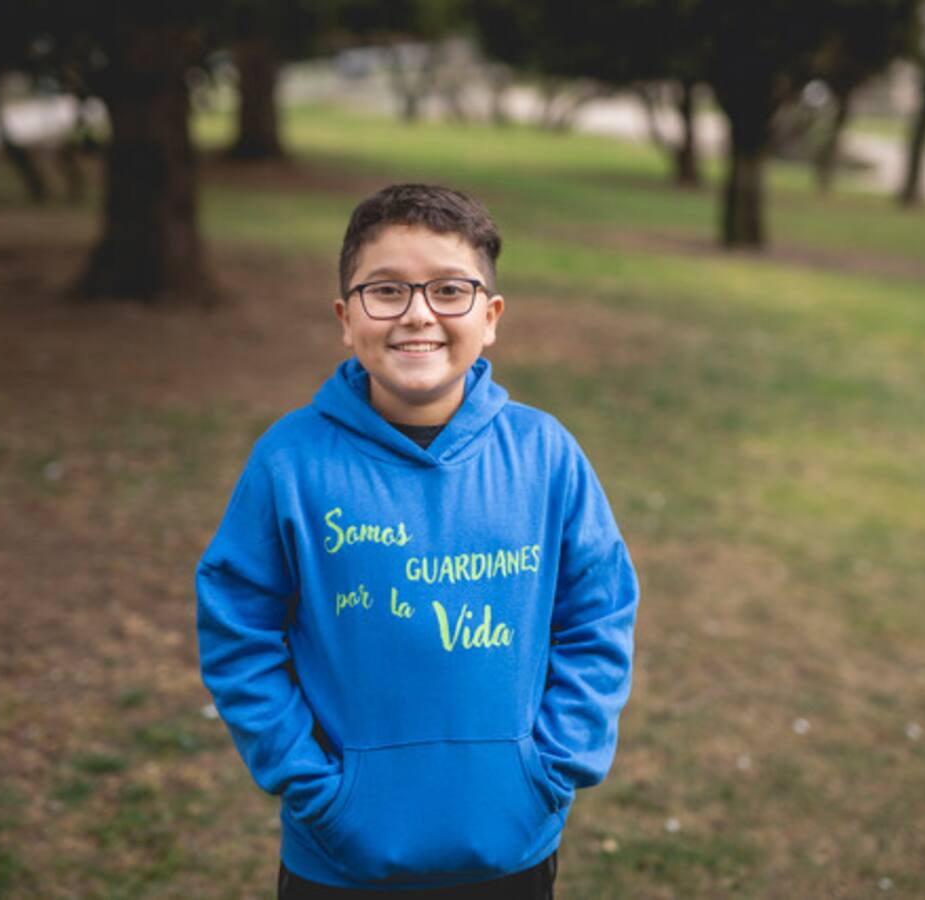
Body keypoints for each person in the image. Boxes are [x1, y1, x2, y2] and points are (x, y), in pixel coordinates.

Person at [195, 183, 639, 898]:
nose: (418, 314)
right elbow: (238, 630)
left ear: (490, 317)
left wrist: (554, 766)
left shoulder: (545, 455)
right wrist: (311, 784)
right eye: (386, 291)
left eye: (449, 290)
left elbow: (598, 615)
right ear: (346, 318)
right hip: (339, 856)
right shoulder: (290, 462)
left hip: (511, 843)